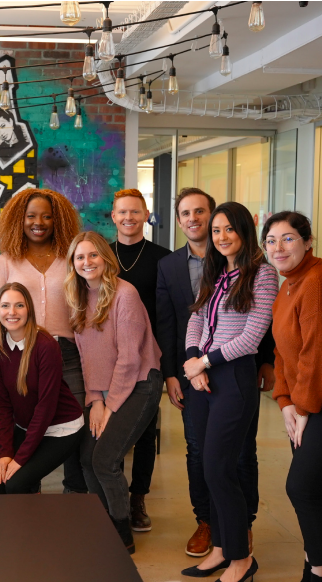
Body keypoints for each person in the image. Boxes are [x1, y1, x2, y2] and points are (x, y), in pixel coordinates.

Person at [156, 188, 276, 557]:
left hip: (233, 375)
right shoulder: (217, 271)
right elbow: (195, 319)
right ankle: (222, 546)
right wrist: (192, 362)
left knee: (227, 464)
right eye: (217, 231)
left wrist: (203, 363)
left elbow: (252, 337)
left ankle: (239, 550)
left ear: (244, 231)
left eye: (228, 229)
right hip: (202, 377)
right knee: (208, 464)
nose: (221, 237)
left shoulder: (262, 274)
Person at [0, 187, 87, 494]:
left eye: (46, 216)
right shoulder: (5, 261)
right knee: (28, 426)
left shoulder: (70, 258)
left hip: (68, 354)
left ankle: (74, 498)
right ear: (19, 219)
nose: (38, 222)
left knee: (73, 434)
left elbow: (87, 306)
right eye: (31, 216)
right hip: (21, 354)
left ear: (58, 220)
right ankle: (28, 493)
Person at [65, 231, 162, 554]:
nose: (86, 262)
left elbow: (130, 357)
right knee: (86, 457)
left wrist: (109, 405)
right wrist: (94, 400)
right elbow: (85, 357)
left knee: (105, 459)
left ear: (106, 258)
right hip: (106, 390)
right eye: (80, 257)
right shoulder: (78, 297)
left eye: (93, 255)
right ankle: (103, 521)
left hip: (141, 384)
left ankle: (121, 533)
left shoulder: (125, 294)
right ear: (73, 263)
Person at [261, 211, 322, 582]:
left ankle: (317, 567)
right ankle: (311, 559)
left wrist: (302, 408)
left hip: (316, 402)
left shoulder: (315, 280)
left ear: (308, 242)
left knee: (300, 487)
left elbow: (315, 352)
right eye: (271, 240)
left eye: (288, 239)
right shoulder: (287, 285)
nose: (278, 247)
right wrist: (285, 402)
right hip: (305, 403)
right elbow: (282, 353)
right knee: (313, 488)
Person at [111, 188, 171, 532]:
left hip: (149, 358)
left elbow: (168, 314)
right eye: (122, 212)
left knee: (146, 432)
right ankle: (114, 493)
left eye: (135, 212)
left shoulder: (164, 259)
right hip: (110, 359)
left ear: (146, 214)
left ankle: (138, 498)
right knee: (112, 432)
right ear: (114, 216)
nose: (129, 218)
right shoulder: (101, 255)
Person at [0, 282, 84, 495]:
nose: (11, 312)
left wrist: (20, 459)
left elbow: (45, 408)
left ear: (28, 309)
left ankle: (30, 526)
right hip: (26, 427)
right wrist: (5, 453)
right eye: (5, 306)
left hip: (62, 428)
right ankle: (14, 527)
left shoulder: (45, 345)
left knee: (15, 483)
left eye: (19, 305)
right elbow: (2, 407)